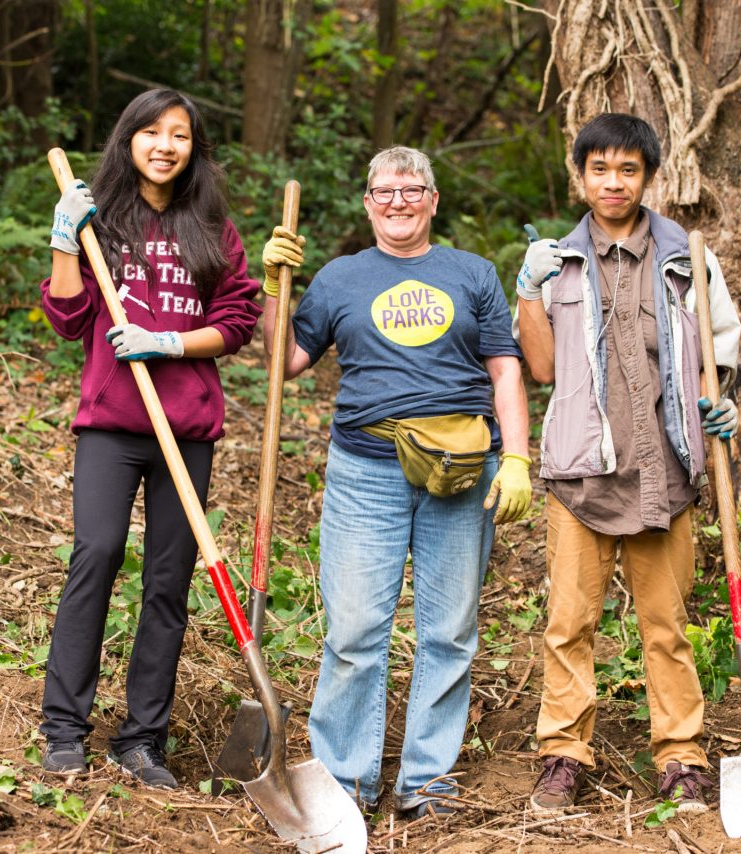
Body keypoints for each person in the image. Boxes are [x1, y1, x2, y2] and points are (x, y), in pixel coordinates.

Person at [259, 145, 533, 819]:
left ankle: (428, 781)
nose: (399, 202)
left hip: (463, 469)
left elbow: (504, 370)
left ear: (433, 201)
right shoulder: (338, 277)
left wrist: (521, 458)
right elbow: (283, 363)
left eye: (412, 190)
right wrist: (272, 291)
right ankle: (345, 783)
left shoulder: (471, 274)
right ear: (367, 203)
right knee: (354, 633)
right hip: (366, 471)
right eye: (385, 191)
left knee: (449, 632)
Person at [514, 113, 741, 814]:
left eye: (628, 170)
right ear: (580, 176)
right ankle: (562, 753)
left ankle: (681, 756)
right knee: (568, 624)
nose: (613, 183)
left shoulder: (687, 257)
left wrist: (722, 404)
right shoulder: (555, 261)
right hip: (582, 473)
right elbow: (543, 367)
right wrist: (528, 292)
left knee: (667, 626)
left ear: (648, 177)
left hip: (664, 470)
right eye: (600, 170)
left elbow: (718, 352)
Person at [37, 89, 263, 787]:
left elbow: (237, 320)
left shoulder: (212, 227)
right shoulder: (99, 219)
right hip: (111, 425)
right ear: (128, 139)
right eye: (152, 132)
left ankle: (142, 740)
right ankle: (64, 728)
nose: (165, 145)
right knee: (96, 554)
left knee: (168, 581)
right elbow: (70, 319)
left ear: (194, 149)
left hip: (185, 428)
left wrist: (168, 340)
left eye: (181, 135)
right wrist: (63, 239)